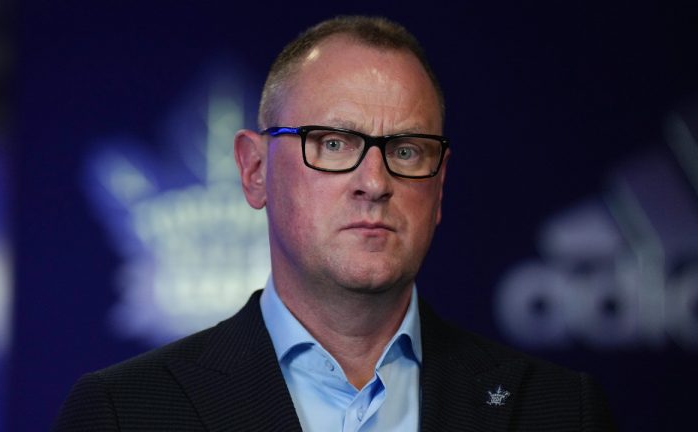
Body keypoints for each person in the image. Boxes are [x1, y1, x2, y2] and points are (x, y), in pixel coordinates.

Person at [53, 16, 615, 431]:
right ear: (254, 170)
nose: (374, 181)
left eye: (407, 151)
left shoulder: (560, 412)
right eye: (333, 143)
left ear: (439, 187)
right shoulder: (126, 413)